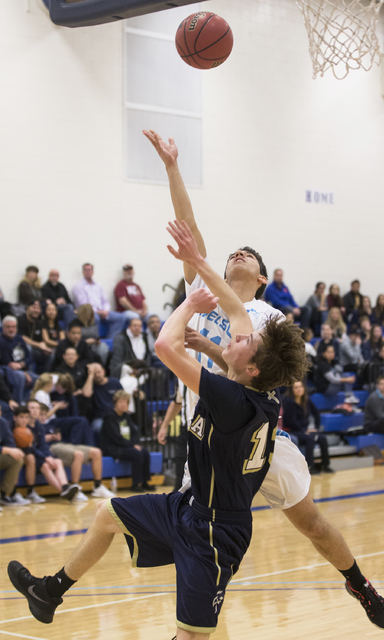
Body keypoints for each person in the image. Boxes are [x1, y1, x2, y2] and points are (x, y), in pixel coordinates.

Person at [6, 217, 308, 636]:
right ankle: (49, 592)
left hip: (216, 533)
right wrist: (197, 260)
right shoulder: (246, 381)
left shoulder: (229, 397)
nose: (236, 336)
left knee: (189, 635)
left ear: (252, 365)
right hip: (189, 507)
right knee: (106, 512)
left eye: (243, 341)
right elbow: (236, 311)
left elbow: (166, 345)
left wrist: (189, 305)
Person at [141, 129, 384, 628]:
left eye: (249, 255)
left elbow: (255, 373)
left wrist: (211, 346)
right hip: (205, 439)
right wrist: (172, 166)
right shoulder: (204, 292)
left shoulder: (269, 316)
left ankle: (358, 581)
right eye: (232, 252)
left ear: (260, 277)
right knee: (203, 561)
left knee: (313, 525)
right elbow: (189, 228)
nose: (238, 254)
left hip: (254, 439)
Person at [34, 398, 114, 503]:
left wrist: (57, 436)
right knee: (78, 454)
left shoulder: (51, 424)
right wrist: (46, 438)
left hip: (64, 445)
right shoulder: (36, 427)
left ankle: (98, 486)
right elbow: (36, 442)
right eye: (41, 414)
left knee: (96, 452)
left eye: (45, 414)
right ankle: (75, 489)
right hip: (51, 448)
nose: (43, 417)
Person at [16, 403, 79, 504]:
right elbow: (30, 448)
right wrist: (45, 458)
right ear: (27, 411)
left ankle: (65, 487)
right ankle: (63, 491)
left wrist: (48, 456)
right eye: (32, 408)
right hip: (32, 455)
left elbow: (43, 445)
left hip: (41, 455)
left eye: (37, 408)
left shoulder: (39, 425)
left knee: (57, 461)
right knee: (45, 465)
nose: (35, 411)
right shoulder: (24, 427)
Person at [100, 390, 152, 492]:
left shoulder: (126, 416)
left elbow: (134, 432)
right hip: (113, 447)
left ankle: (145, 482)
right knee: (137, 454)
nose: (123, 404)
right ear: (115, 403)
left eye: (125, 402)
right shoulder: (109, 417)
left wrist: (134, 443)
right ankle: (135, 484)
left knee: (145, 452)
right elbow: (115, 437)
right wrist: (132, 446)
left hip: (126, 446)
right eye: (121, 402)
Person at [283, 381, 334, 475]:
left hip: (304, 430)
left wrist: (316, 428)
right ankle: (310, 466)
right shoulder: (289, 402)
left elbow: (317, 414)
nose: (299, 389)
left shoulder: (306, 400)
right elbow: (291, 421)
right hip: (293, 431)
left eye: (300, 387)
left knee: (322, 438)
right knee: (310, 439)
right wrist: (304, 431)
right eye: (296, 387)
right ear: (291, 390)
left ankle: (326, 465)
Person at [32, 373, 94, 446]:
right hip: (50, 422)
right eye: (52, 385)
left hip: (53, 420)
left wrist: (52, 404)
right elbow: (44, 415)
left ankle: (89, 446)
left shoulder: (45, 394)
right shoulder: (40, 394)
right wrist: (57, 407)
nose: (53, 387)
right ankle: (74, 445)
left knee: (83, 422)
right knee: (81, 420)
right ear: (48, 385)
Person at [72, 263, 125, 339]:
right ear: (83, 272)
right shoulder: (78, 286)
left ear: (93, 271)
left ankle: (111, 341)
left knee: (120, 317)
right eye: (86, 270)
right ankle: (95, 340)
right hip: (88, 313)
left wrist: (106, 311)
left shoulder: (98, 286)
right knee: (95, 318)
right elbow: (83, 305)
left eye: (90, 270)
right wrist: (98, 312)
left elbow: (105, 301)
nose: (88, 272)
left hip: (102, 312)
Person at [0, 316, 37, 403]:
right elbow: (8, 363)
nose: (11, 329)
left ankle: (27, 401)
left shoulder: (19, 338)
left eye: (13, 327)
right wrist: (24, 373)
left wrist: (22, 364)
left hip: (22, 368)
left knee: (39, 379)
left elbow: (30, 357)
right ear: (3, 328)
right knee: (20, 376)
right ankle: (18, 403)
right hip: (8, 370)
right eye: (8, 327)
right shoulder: (1, 342)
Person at [0, 406, 30, 507]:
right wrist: (6, 450)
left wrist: (15, 450)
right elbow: (8, 448)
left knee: (17, 459)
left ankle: (4, 494)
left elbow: (11, 445)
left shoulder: (3, 423)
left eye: (0, 410)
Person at [82, 363, 123, 434]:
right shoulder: (90, 385)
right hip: (100, 417)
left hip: (115, 414)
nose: (97, 375)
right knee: (97, 427)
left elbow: (123, 398)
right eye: (94, 374)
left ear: (104, 371)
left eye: (98, 372)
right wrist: (90, 376)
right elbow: (86, 394)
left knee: (130, 428)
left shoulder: (115, 382)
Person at [18, 300, 53, 374]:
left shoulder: (39, 322)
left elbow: (42, 340)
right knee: (28, 348)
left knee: (50, 353)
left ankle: (44, 377)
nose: (36, 310)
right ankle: (30, 376)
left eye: (38, 308)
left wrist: (44, 347)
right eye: (34, 307)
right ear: (27, 308)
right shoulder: (20, 320)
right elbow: (22, 337)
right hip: (21, 349)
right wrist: (39, 345)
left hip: (36, 349)